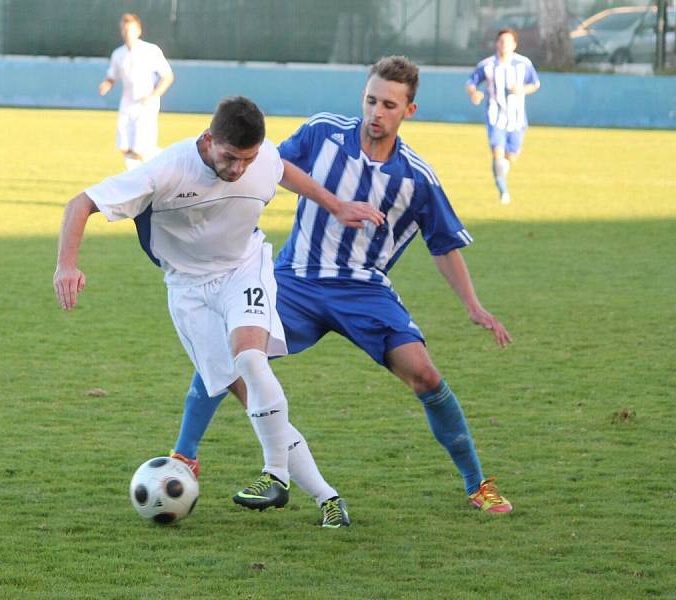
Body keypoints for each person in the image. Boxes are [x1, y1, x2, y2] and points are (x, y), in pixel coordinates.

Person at [170, 56, 515, 526]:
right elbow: (266, 166)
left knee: (426, 376)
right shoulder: (323, 133)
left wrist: (473, 305)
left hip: (364, 291)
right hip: (296, 280)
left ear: (408, 111)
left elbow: (444, 244)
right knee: (227, 355)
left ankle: (478, 484)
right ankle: (184, 455)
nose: (376, 111)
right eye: (371, 99)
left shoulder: (417, 177)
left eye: (389, 104)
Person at [53, 96, 384, 521]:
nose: (238, 169)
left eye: (247, 159)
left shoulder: (260, 159)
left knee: (251, 357)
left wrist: (336, 205)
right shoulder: (167, 170)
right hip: (189, 291)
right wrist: (67, 264)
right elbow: (81, 203)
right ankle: (329, 500)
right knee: (252, 399)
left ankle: (275, 474)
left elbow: (284, 170)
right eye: (229, 157)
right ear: (208, 140)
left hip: (244, 270)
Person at [466, 28, 540, 204]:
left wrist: (521, 89)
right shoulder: (487, 65)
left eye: (507, 41)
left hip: (517, 118)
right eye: (501, 41)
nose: (503, 44)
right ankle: (503, 190)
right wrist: (474, 94)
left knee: (511, 157)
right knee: (497, 154)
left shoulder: (524, 64)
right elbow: (471, 82)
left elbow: (535, 84)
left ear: (514, 44)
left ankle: (500, 173)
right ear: (496, 44)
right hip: (495, 116)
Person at [99, 13, 175, 170]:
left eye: (131, 30)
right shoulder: (118, 54)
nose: (127, 33)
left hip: (146, 102)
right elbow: (112, 76)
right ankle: (135, 180)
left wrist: (153, 96)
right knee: (124, 146)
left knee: (141, 149)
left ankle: (171, 162)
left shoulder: (150, 50)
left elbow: (167, 76)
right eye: (125, 30)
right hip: (127, 103)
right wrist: (107, 84)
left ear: (138, 31)